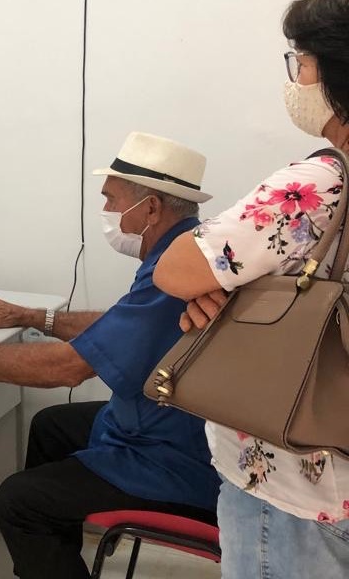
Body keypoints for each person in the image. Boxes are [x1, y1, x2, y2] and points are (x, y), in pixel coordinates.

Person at [0, 132, 221, 579]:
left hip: (176, 458)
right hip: (167, 421)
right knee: (51, 426)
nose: (106, 212)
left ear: (151, 207)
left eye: (112, 200)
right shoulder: (186, 251)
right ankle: (50, 561)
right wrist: (33, 317)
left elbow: (68, 369)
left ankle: (42, 545)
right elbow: (121, 325)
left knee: (18, 501)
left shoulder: (173, 273)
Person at [154, 2, 349, 577]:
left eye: (302, 63)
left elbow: (176, 270)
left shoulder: (319, 184)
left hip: (296, 485)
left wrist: (232, 293)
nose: (296, 78)